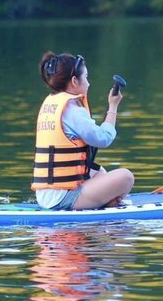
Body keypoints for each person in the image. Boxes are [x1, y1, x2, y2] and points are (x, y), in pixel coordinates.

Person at [32, 51, 134, 209]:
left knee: (100, 172)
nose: (88, 83)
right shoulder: (72, 109)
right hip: (61, 199)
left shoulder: (51, 103)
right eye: (86, 78)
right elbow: (103, 138)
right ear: (74, 81)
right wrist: (113, 106)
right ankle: (103, 203)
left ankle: (104, 202)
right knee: (126, 177)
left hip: (46, 195)